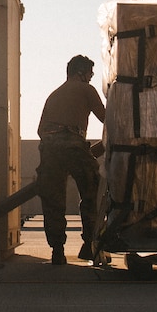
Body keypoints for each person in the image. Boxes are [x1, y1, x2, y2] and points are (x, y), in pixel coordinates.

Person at [36, 54, 106, 265]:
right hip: (73, 142)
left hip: (49, 147)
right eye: (90, 74)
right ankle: (89, 245)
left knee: (53, 200)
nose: (91, 78)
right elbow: (107, 119)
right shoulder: (86, 89)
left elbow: (40, 130)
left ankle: (57, 250)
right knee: (91, 191)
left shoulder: (54, 95)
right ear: (81, 73)